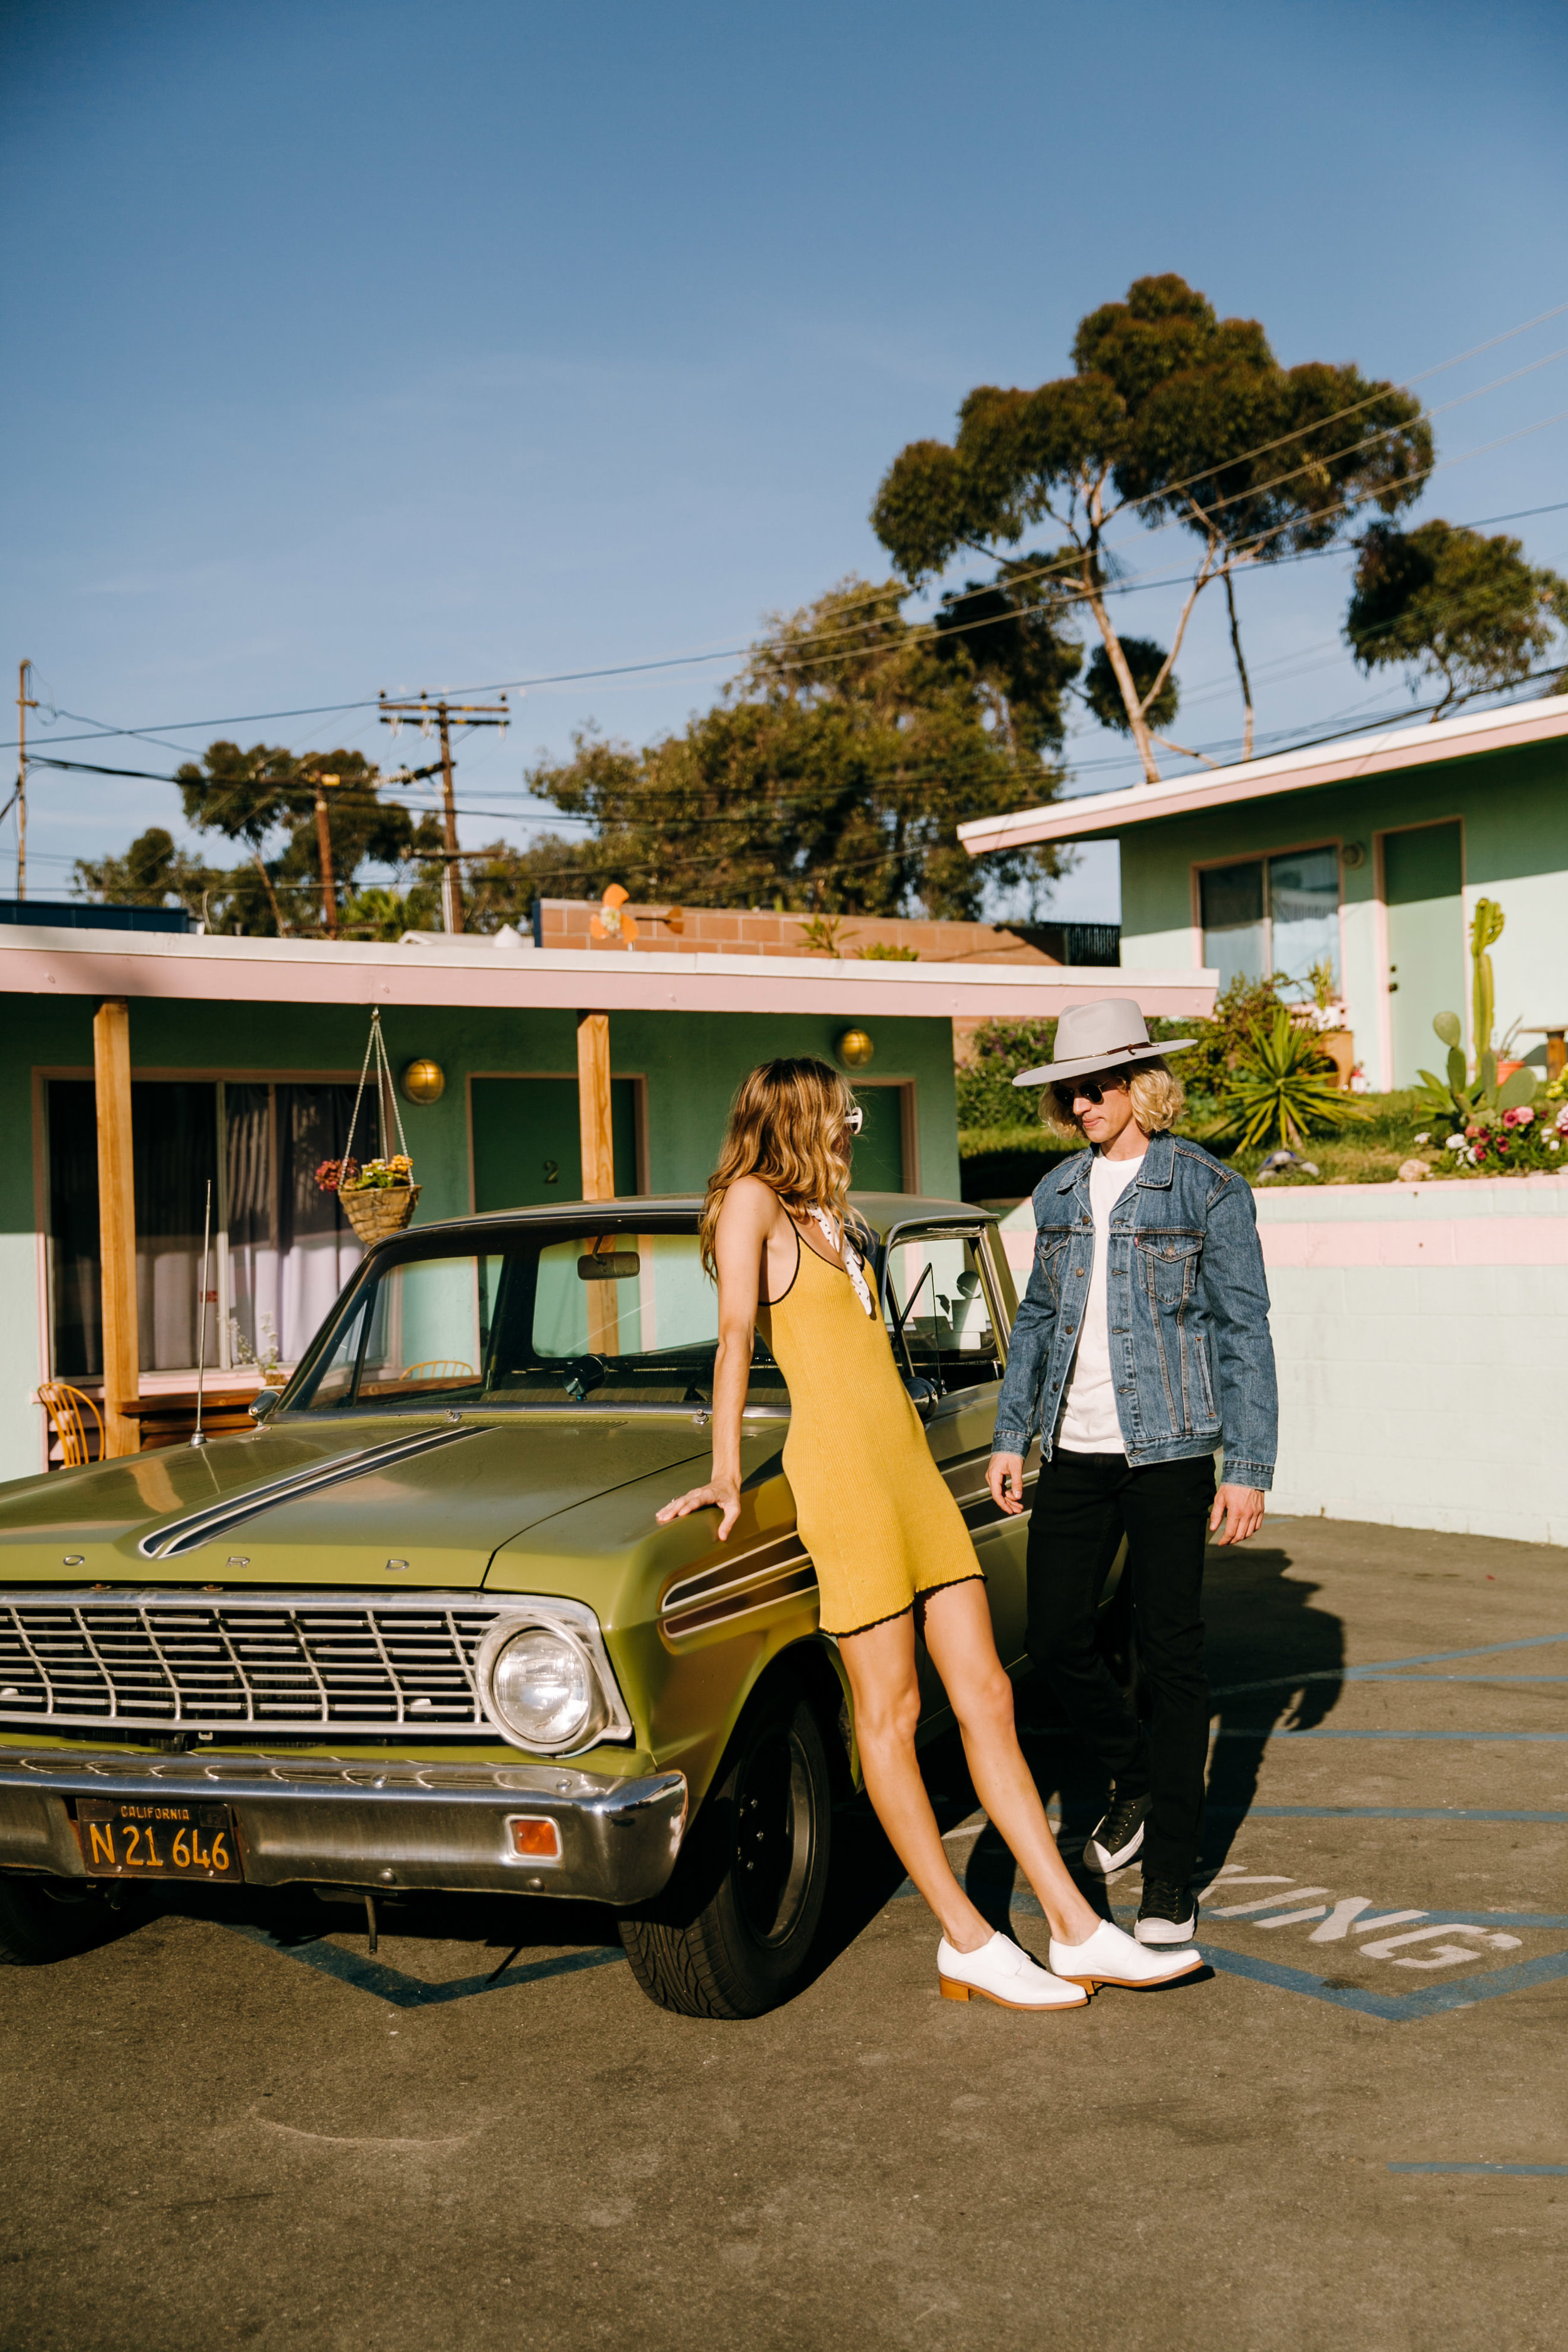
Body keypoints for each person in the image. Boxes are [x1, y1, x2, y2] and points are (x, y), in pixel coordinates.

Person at [658, 1056, 1202, 2011]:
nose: (853, 1126)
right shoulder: (754, 1203)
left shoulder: (845, 1218)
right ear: (799, 1116)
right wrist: (724, 1470)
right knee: (892, 1717)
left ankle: (1076, 1928)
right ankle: (967, 1937)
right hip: (844, 1480)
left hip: (910, 1474)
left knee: (989, 1690)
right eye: (844, 1111)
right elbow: (737, 1334)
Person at [987, 998, 1278, 1949]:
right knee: (1060, 1632)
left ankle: (1170, 1885)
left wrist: (1250, 1464)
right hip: (1073, 1447)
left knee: (1174, 1654)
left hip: (1172, 1450)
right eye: (1069, 1090)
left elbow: (1244, 1328)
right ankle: (1141, 1780)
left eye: (1095, 1085)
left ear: (1140, 1082)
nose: (1080, 1104)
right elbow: (1036, 1319)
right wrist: (1010, 1431)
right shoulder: (1058, 1191)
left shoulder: (1206, 1188)